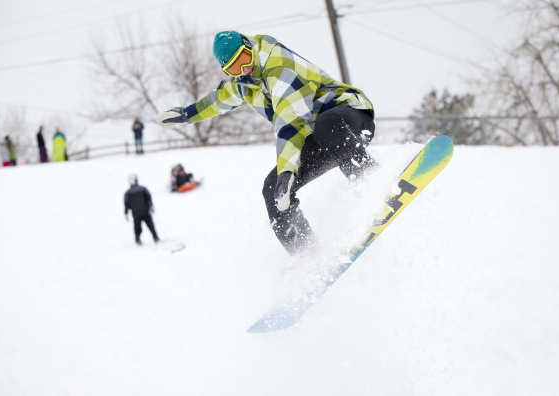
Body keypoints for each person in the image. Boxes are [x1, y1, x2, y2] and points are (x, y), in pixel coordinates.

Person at [156, 31, 376, 255]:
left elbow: (291, 123)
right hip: (317, 138)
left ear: (249, 46)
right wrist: (185, 114)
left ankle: (374, 185)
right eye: (234, 68)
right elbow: (217, 100)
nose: (244, 70)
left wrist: (287, 171)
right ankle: (307, 255)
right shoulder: (245, 83)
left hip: (347, 119)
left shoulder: (280, 67)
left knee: (325, 124)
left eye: (244, 59)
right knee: (273, 189)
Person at [124, 174, 160, 245]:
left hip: (138, 213)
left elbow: (126, 204)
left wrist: (126, 213)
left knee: (139, 227)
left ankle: (139, 239)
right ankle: (154, 238)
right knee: (150, 226)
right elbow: (149, 199)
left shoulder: (128, 192)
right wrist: (151, 206)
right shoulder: (142, 189)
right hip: (144, 212)